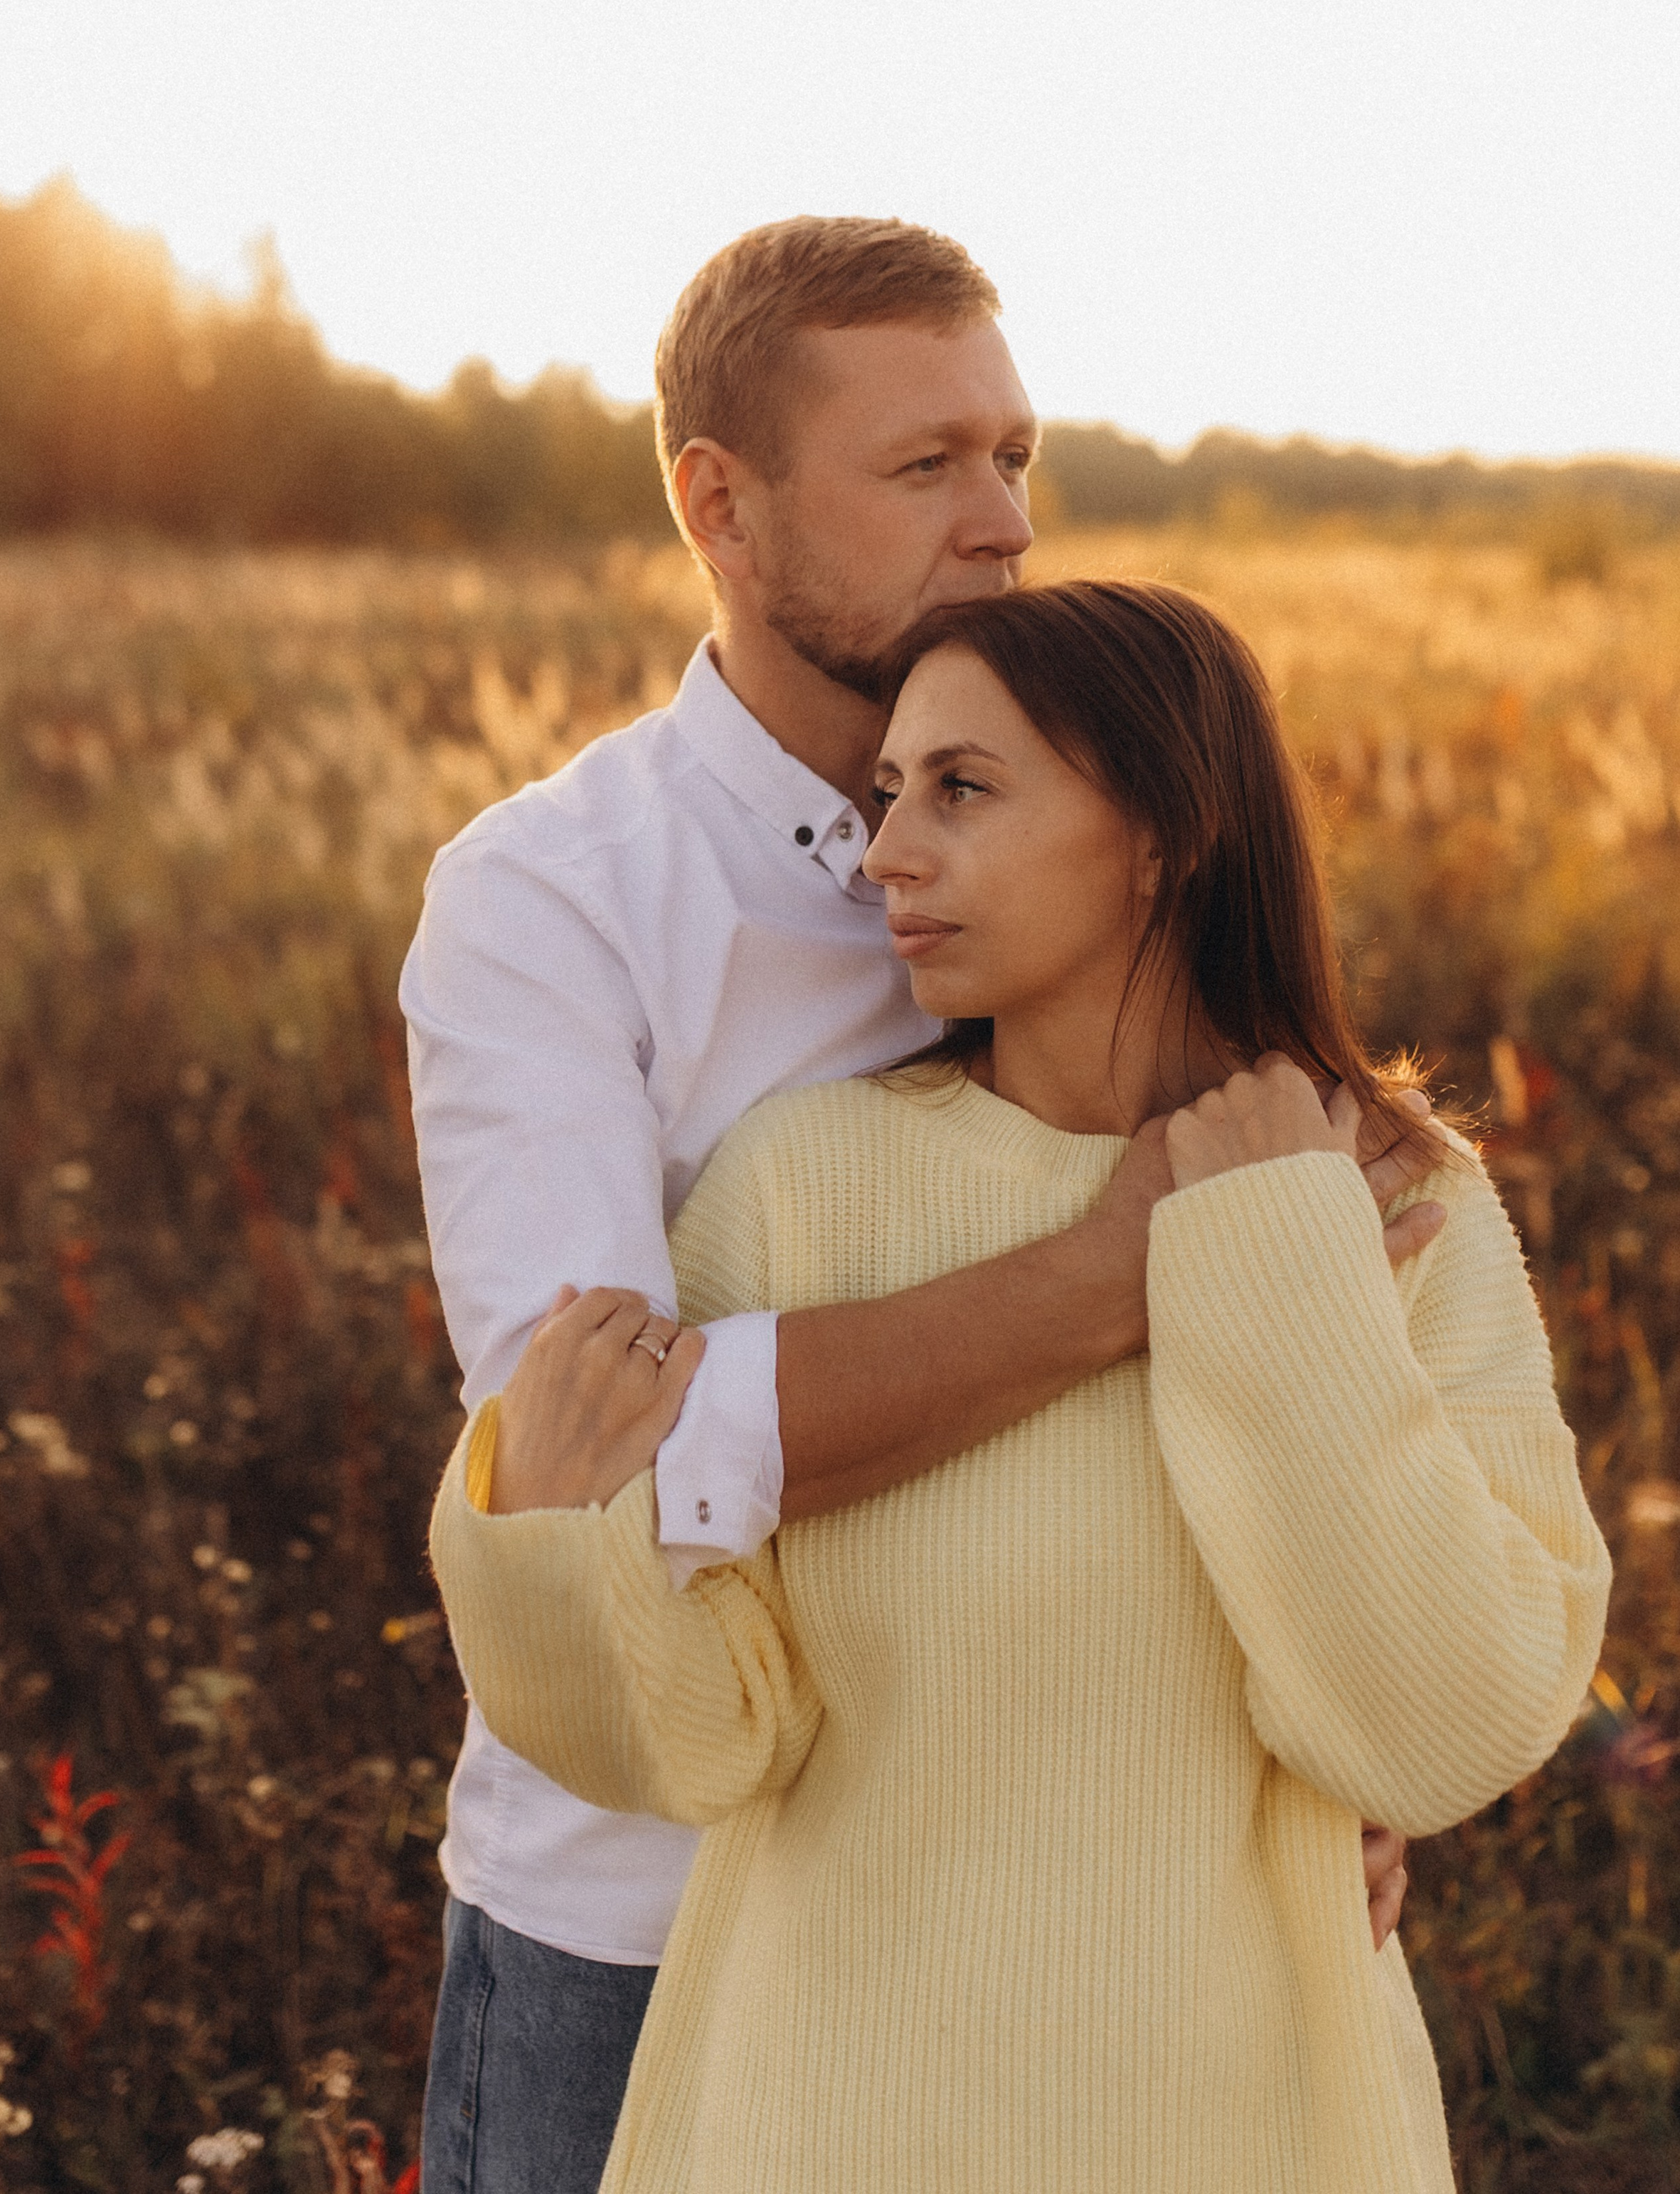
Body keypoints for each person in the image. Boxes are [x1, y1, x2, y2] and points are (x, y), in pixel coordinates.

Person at [402, 219, 1431, 2191]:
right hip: (654, 1912)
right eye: (926, 466)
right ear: (722, 503)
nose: (1006, 525)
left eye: (1016, 456)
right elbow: (596, 1457)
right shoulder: (552, 904)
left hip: (1086, 1923)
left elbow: (1306, 1348)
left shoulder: (1112, 821)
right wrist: (1126, 1263)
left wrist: (1331, 1744)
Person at [432, 577, 1610, 2194]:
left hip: (1245, 2133)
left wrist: (1270, 1246)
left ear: (1165, 828)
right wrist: (556, 1545)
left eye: (961, 791)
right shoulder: (803, 1189)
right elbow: (697, 1744)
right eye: (884, 794)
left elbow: (1436, 1727)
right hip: (821, 2127)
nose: (882, 853)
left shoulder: (1398, 1198)